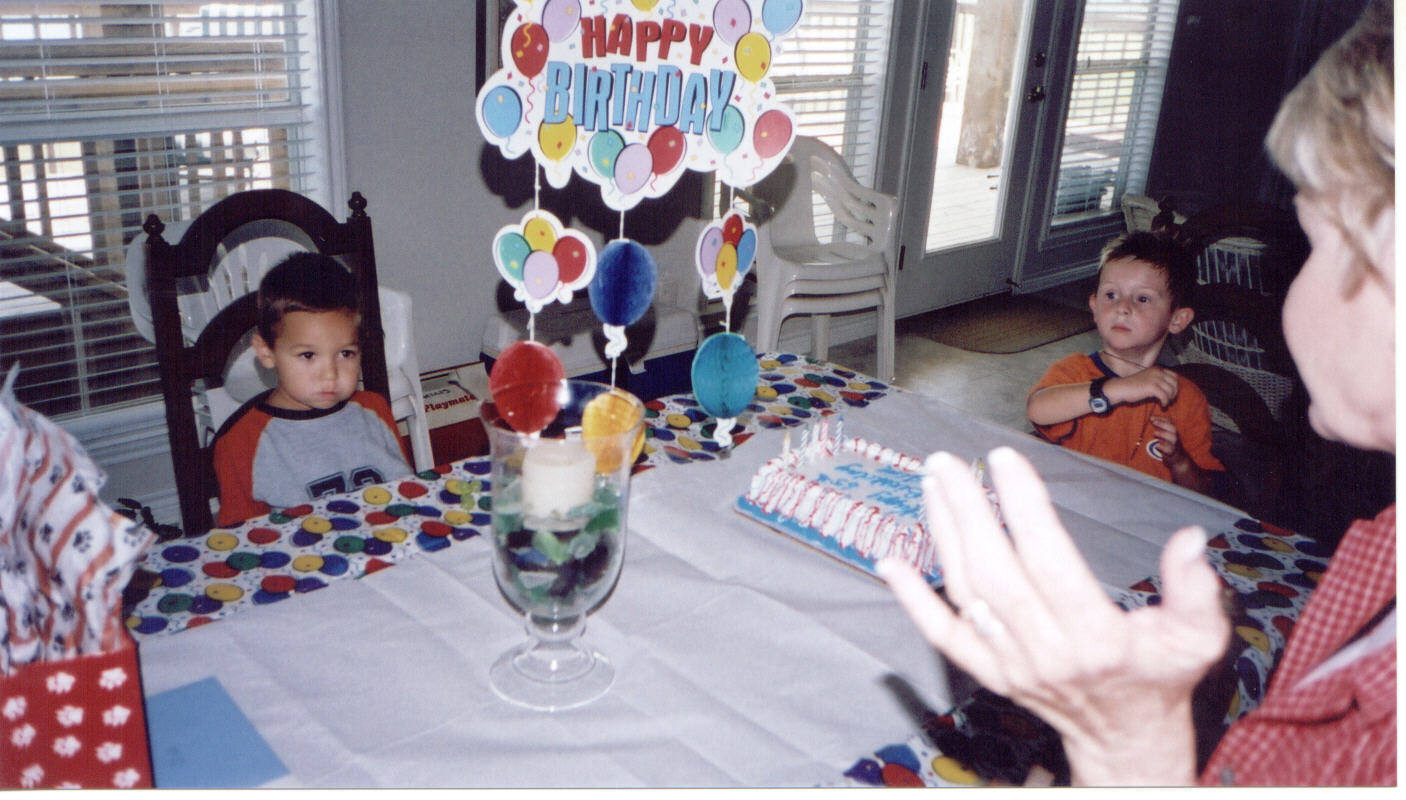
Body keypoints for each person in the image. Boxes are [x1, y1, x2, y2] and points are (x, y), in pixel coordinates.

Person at [878, 0, 1393, 786]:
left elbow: (1202, 481)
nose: (1289, 293)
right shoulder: (1376, 554)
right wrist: (1128, 750)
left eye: (1323, 246)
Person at [212, 253, 411, 527]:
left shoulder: (374, 409)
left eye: (345, 353)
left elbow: (409, 494)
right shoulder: (241, 443)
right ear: (266, 352)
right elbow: (238, 541)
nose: (330, 374)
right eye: (308, 355)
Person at [1026, 232, 1223, 493]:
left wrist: (1180, 461)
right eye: (1111, 295)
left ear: (1177, 319)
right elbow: (1037, 409)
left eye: (1142, 298)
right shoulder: (1074, 371)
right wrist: (1115, 389)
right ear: (1094, 306)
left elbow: (1206, 493)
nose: (1122, 307)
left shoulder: (1186, 398)